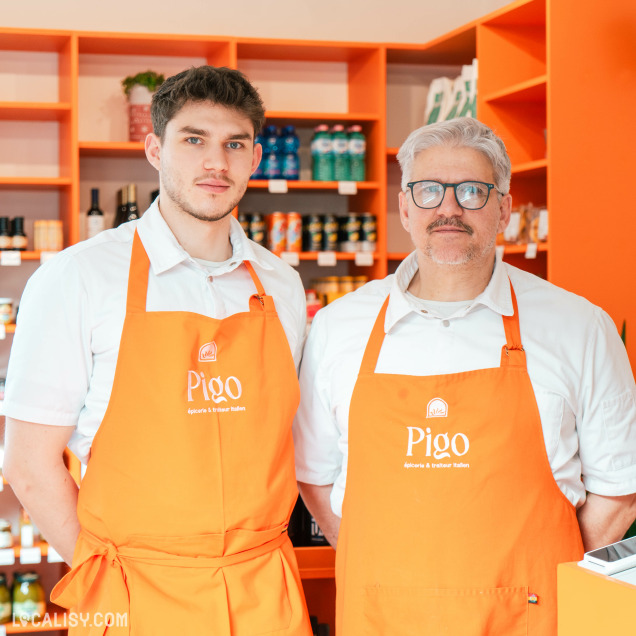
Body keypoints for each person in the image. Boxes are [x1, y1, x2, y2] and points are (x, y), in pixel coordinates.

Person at [293, 117, 636, 635]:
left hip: (529, 616)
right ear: (405, 207)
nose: (448, 209)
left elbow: (620, 489)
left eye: (472, 191)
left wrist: (533, 570)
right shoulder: (340, 326)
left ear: (503, 208)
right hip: (383, 616)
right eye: (428, 191)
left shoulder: (578, 325)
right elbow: (315, 475)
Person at [3, 65, 312, 635]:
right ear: (154, 148)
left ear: (256, 158)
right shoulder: (80, 277)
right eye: (194, 140)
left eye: (233, 144)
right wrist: (104, 576)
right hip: (135, 595)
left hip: (262, 590)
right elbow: (26, 463)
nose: (215, 163)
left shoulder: (281, 283)